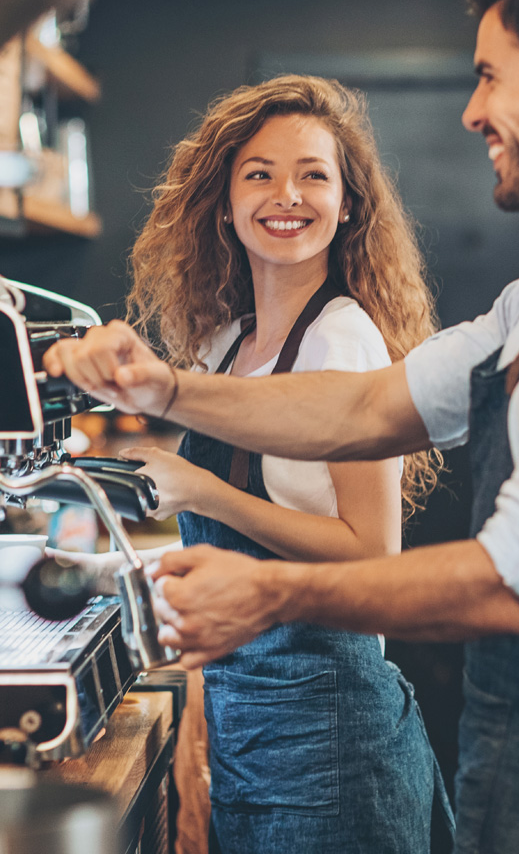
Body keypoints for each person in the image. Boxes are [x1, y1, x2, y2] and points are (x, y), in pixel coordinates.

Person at [44, 0, 519, 853]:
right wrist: (166, 387)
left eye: (489, 77)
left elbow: (518, 581)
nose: (472, 112)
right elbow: (364, 408)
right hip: (505, 752)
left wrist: (266, 590)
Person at [55, 75, 453, 853]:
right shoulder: (227, 343)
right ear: (226, 204)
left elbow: (373, 558)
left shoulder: (342, 339)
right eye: (260, 173)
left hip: (330, 733)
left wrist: (204, 490)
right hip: (252, 726)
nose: (287, 195)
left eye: (314, 174)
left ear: (347, 207)